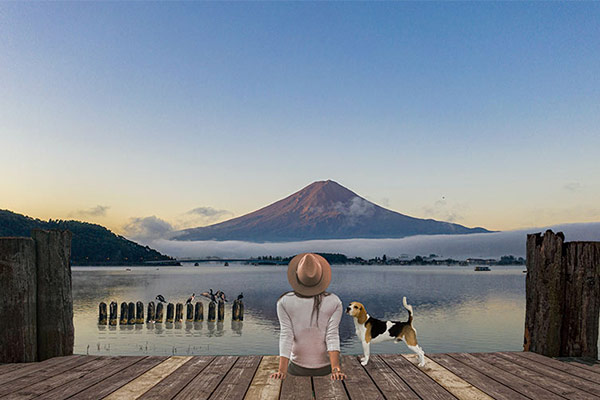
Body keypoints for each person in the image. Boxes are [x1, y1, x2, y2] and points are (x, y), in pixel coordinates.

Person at [270, 253, 346, 381]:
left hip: (296, 368)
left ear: (297, 277)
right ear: (321, 277)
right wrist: (335, 370)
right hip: (326, 369)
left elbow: (286, 336)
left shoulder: (283, 302)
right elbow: (332, 336)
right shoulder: (334, 301)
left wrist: (281, 371)